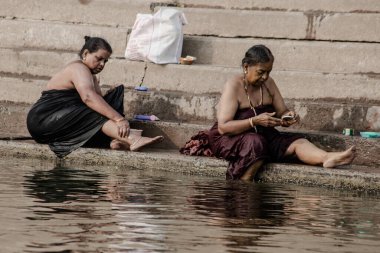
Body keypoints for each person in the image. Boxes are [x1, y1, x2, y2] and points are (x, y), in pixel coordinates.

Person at [180, 44, 356, 181]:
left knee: (298, 142)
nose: (265, 77)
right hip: (230, 138)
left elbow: (282, 111)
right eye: (261, 72)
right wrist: (254, 121)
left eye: (268, 72)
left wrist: (289, 117)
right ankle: (244, 183)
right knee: (255, 142)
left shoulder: (269, 83)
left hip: (264, 134)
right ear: (246, 67)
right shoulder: (233, 85)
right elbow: (224, 127)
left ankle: (327, 158)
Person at [27, 36, 163, 158]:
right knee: (95, 109)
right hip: (43, 120)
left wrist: (114, 114)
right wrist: (119, 119)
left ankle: (115, 140)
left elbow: (100, 102)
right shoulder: (78, 68)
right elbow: (88, 98)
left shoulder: (91, 75)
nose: (102, 64)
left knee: (112, 98)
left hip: (63, 119)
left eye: (105, 61)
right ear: (85, 54)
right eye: (99, 59)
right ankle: (131, 139)